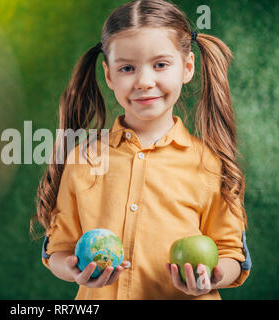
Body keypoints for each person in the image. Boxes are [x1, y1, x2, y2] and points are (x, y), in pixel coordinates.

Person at [30, 0, 251, 300]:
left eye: (160, 64)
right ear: (109, 76)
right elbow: (59, 250)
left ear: (187, 68)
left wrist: (212, 276)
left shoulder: (208, 162)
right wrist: (73, 270)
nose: (145, 81)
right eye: (127, 68)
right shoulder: (83, 158)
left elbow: (231, 255)